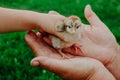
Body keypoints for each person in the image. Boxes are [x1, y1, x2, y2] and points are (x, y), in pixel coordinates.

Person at [0, 5, 118, 80]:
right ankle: (61, 51)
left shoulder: (76, 32)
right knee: (61, 41)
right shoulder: (64, 31)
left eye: (77, 26)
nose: (75, 29)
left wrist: (94, 74)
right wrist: (114, 57)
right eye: (72, 27)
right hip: (59, 41)